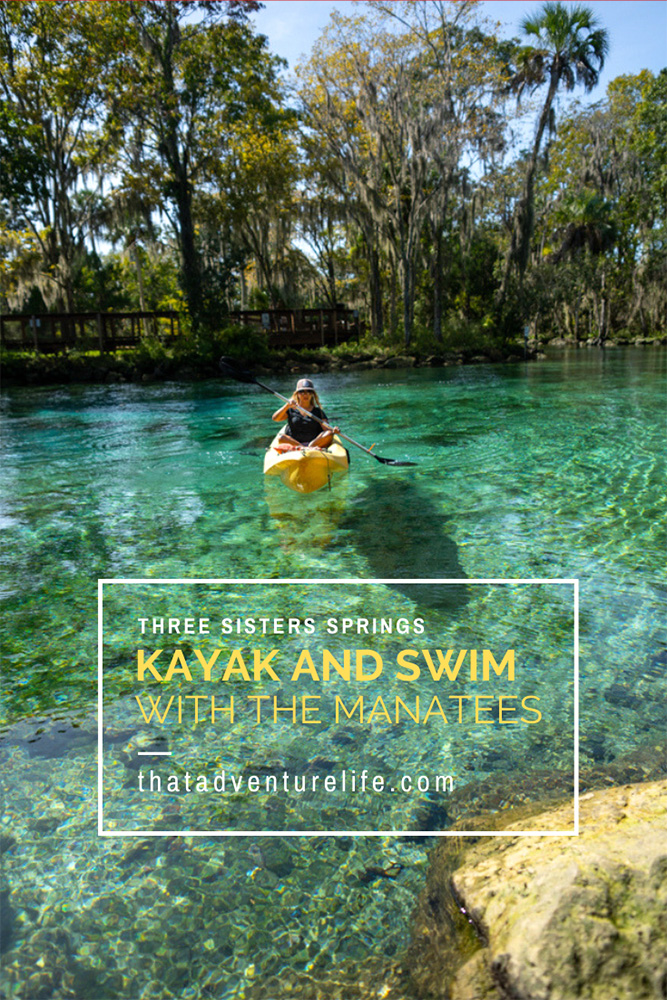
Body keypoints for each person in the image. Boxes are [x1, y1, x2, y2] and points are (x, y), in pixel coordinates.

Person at [272, 378, 339, 450]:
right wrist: (286, 406)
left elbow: (327, 429)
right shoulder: (291, 410)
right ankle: (304, 448)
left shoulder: (318, 411)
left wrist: (334, 430)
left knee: (329, 434)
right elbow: (275, 418)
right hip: (295, 444)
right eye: (302, 392)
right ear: (297, 394)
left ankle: (307, 448)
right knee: (281, 437)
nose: (305, 394)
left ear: (312, 394)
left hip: (314, 444)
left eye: (309, 392)